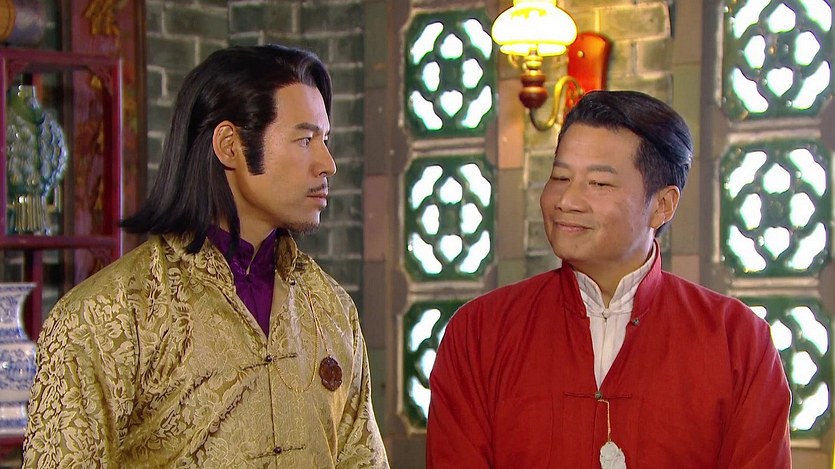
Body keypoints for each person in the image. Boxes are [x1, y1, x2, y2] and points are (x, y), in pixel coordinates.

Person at [23, 44, 389, 468]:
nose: (328, 164)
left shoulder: (331, 310)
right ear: (230, 145)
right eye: (305, 140)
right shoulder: (109, 315)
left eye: (326, 140)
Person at [425, 90, 791, 468]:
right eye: (560, 176)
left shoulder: (738, 342)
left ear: (662, 205)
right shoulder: (479, 333)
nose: (566, 200)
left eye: (598, 183)